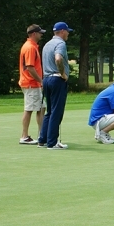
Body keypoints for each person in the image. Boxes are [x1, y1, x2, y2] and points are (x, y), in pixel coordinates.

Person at [38, 22, 72, 150]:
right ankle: (52, 143)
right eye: (67, 31)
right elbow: (58, 59)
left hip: (46, 79)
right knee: (56, 112)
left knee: (50, 111)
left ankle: (43, 140)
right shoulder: (60, 44)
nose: (68, 33)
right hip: (57, 79)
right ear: (62, 31)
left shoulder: (47, 44)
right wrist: (63, 73)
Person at [18, 24, 46, 144]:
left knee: (41, 107)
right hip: (31, 83)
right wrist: (41, 80)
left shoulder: (32, 46)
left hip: (32, 83)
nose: (41, 34)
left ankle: (42, 134)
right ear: (34, 34)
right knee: (29, 109)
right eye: (40, 33)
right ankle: (24, 136)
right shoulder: (30, 47)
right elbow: (30, 67)